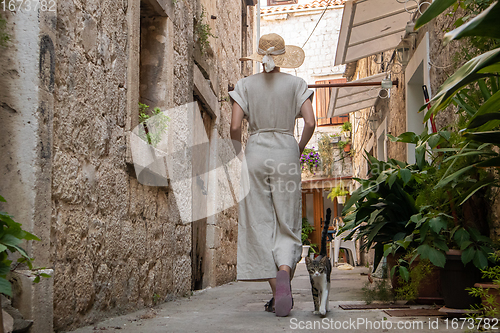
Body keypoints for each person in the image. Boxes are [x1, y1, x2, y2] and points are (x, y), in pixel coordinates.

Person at [229, 33, 315, 317]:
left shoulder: (244, 85)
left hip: (255, 153)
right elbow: (311, 122)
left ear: (259, 56)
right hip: (286, 153)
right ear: (282, 57)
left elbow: (234, 127)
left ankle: (275, 288)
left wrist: (239, 154)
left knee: (260, 223)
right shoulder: (296, 84)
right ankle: (285, 271)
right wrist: (298, 148)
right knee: (286, 222)